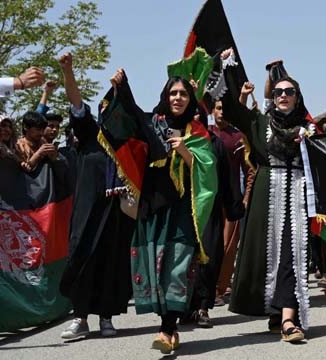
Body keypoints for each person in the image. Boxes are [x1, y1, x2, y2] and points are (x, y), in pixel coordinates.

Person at [98, 68, 217, 354]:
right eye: (173, 93)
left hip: (182, 207)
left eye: (183, 94)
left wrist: (186, 153)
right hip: (153, 204)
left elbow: (208, 171)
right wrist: (121, 88)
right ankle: (170, 327)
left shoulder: (197, 131)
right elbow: (129, 118)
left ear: (191, 99)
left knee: (177, 266)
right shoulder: (152, 123)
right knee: (155, 267)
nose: (178, 98)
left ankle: (167, 328)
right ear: (165, 96)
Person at [218, 48, 311, 343]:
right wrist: (228, 67)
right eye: (279, 91)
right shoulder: (259, 123)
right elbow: (232, 108)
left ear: (297, 97)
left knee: (291, 255)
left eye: (290, 91)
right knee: (265, 256)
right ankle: (275, 312)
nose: (283, 95)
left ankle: (287, 319)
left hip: (297, 196)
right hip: (266, 198)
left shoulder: (309, 130)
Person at [57, 52, 133, 341]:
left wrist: (121, 90)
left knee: (111, 262)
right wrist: (68, 71)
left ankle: (106, 317)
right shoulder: (89, 133)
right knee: (82, 258)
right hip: (87, 211)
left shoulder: (130, 146)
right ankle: (80, 318)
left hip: (115, 213)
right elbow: (76, 102)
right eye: (109, 107)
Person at [210, 98, 251, 306]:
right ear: (212, 110)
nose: (221, 112)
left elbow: (250, 170)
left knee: (227, 247)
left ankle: (218, 289)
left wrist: (245, 199)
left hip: (231, 201)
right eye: (218, 108)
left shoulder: (238, 137)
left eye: (225, 108)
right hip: (207, 201)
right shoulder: (204, 133)